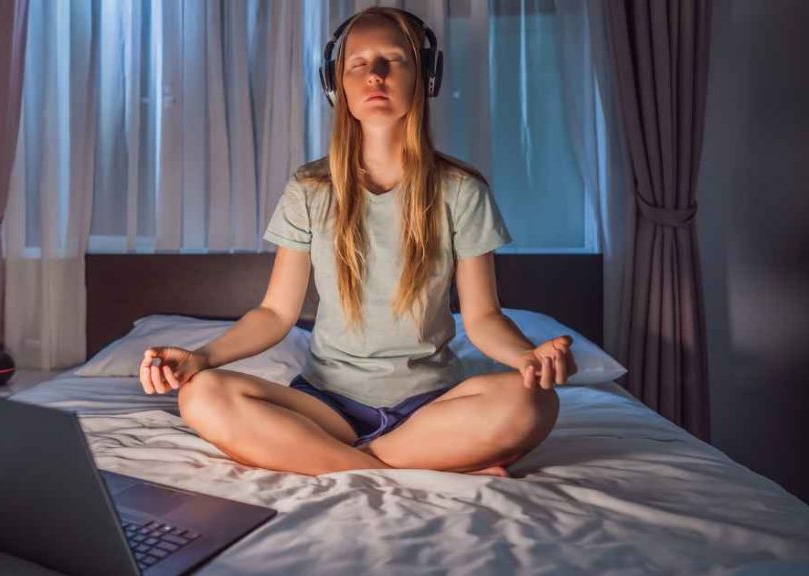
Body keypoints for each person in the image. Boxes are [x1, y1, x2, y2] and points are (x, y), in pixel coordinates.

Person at [138, 7, 576, 478]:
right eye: (358, 64)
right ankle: (410, 463)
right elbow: (275, 314)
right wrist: (202, 358)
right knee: (201, 394)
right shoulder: (309, 189)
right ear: (336, 85)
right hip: (326, 406)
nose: (376, 75)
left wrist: (525, 356)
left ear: (425, 78)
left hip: (431, 406)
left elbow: (483, 317)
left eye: (394, 60)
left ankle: (326, 459)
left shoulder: (462, 190)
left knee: (534, 403)